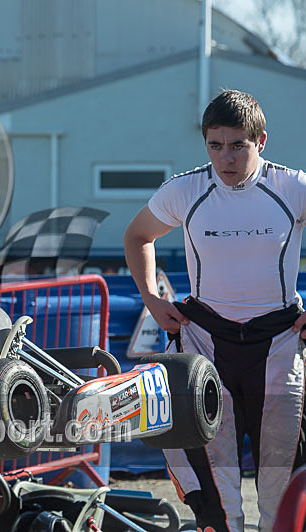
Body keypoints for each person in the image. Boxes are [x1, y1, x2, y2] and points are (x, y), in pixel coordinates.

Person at [124, 89, 306, 531]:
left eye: (238, 145)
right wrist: (151, 299)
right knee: (214, 489)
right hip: (206, 342)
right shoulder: (186, 190)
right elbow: (137, 237)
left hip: (279, 341)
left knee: (283, 488)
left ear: (261, 141)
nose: (226, 158)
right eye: (215, 145)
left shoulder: (293, 187)